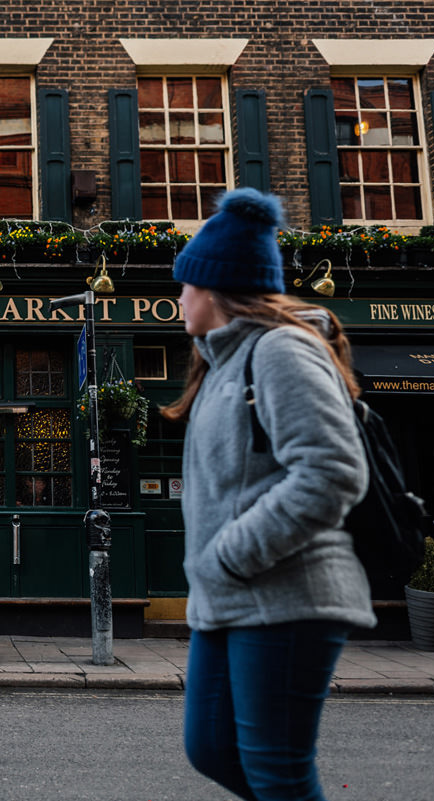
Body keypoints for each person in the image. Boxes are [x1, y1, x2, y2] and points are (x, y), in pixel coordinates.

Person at [161, 189, 376, 801]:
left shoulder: (281, 350)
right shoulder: (219, 364)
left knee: (276, 768)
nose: (179, 297)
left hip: (286, 594)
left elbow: (332, 471)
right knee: (209, 748)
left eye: (187, 284)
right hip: (227, 601)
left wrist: (231, 554)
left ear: (215, 287)